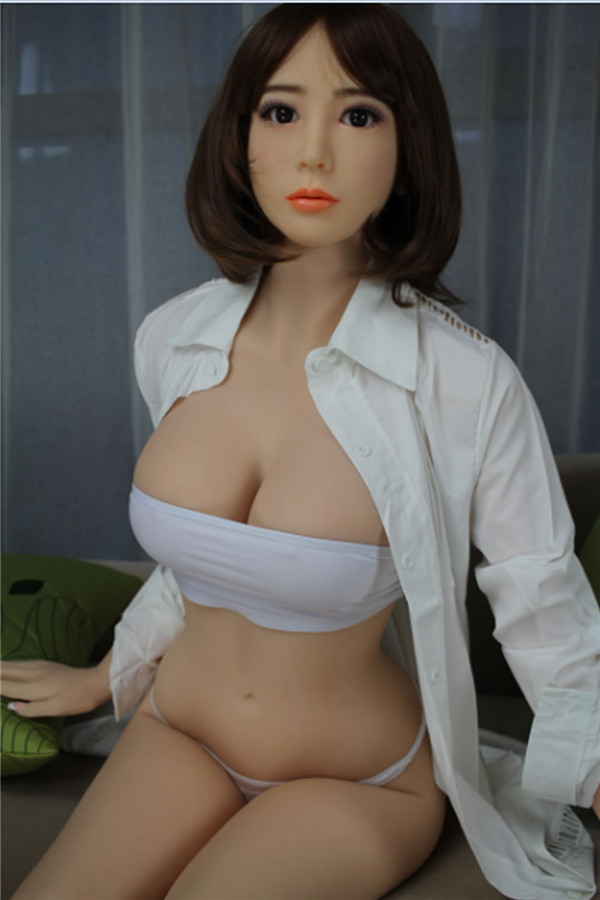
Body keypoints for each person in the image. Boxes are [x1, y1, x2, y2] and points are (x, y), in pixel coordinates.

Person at [2, 5, 599, 899]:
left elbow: (544, 611)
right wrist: (108, 675)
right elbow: (195, 568)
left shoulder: (467, 382)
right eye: (281, 111)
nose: (313, 153)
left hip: (356, 778)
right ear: (240, 136)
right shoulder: (173, 336)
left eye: (359, 115)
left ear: (408, 150)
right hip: (177, 729)